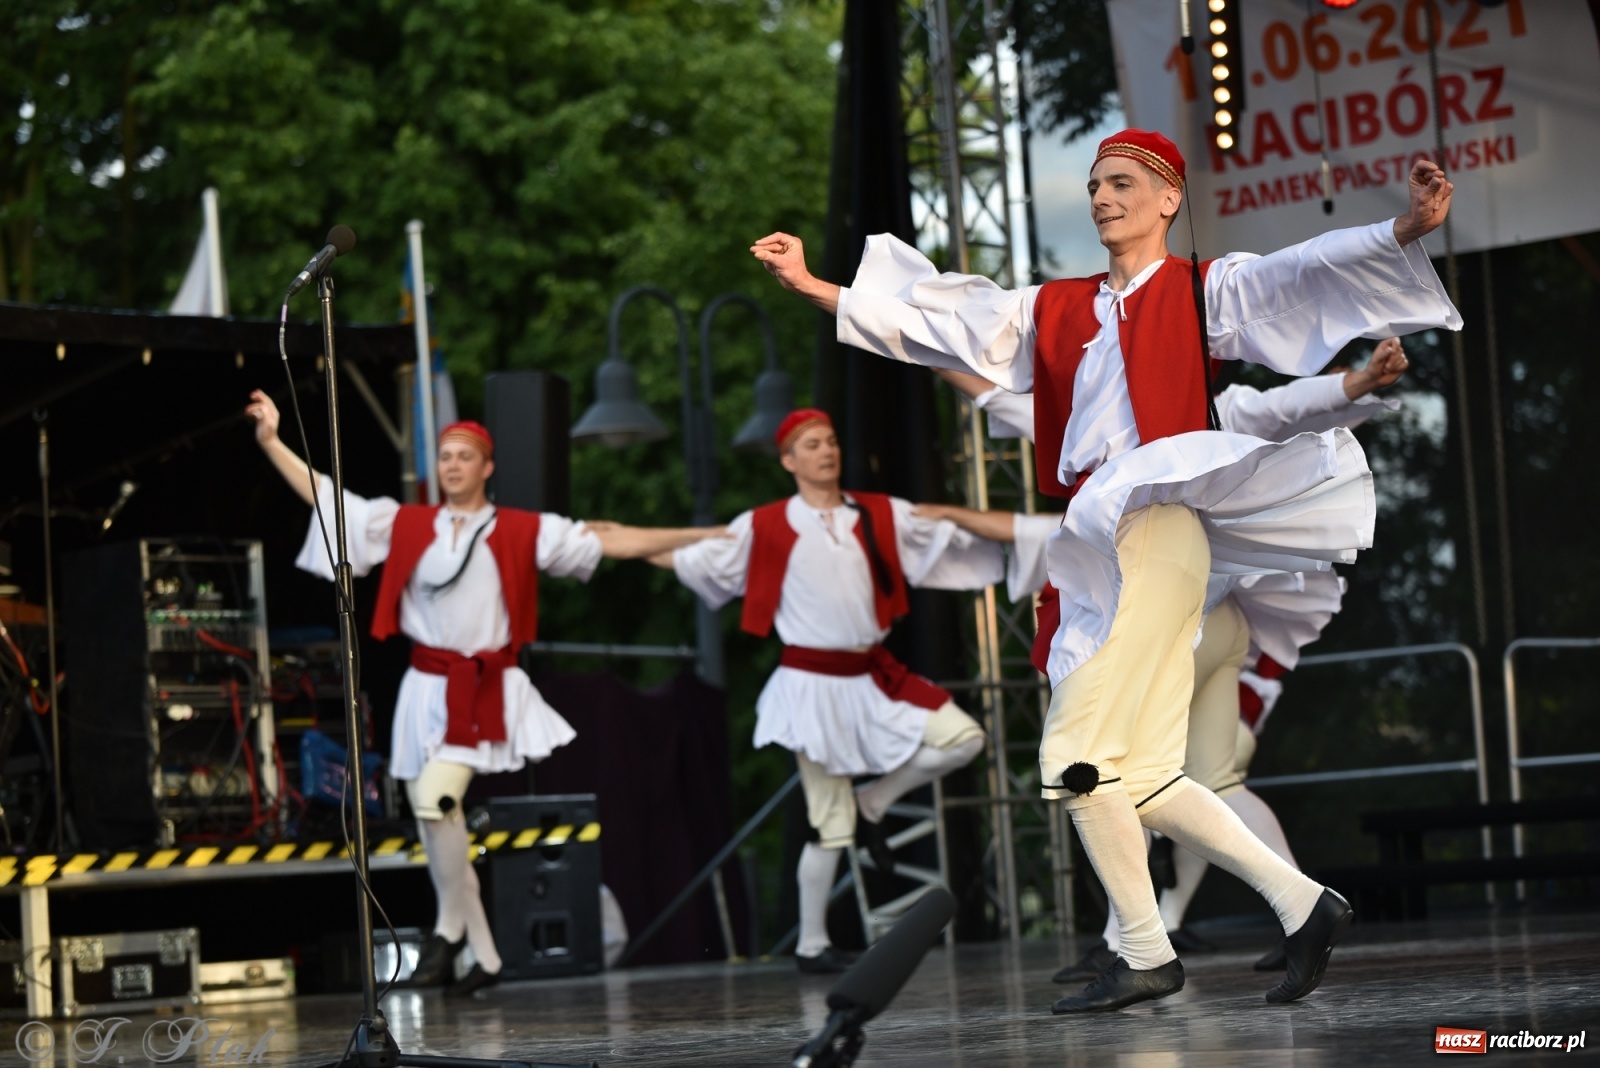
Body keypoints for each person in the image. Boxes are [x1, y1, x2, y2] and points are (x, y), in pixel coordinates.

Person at [750, 129, 1459, 1011]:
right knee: (1148, 773)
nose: (1102, 197)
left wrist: (1403, 228)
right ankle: (1304, 903)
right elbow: (941, 321)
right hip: (1105, 534)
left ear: (1169, 199)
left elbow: (1302, 271)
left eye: (1123, 182)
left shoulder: (1204, 289)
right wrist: (818, 285)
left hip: (1156, 528)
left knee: (1075, 756)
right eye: (1094, 185)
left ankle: (1146, 952)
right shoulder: (1056, 307)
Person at [927, 340, 1409, 980]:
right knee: (1198, 777)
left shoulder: (1152, 414)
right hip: (1216, 619)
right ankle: (1299, 903)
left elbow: (1003, 400)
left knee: (1099, 765)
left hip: (1173, 616)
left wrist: (914, 342)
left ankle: (1133, 940)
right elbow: (1000, 398)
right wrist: (1356, 380)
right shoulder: (1207, 409)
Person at [247, 390, 722, 996]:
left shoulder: (523, 529)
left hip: (486, 688)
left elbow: (612, 540)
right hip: (426, 689)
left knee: (434, 799)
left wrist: (703, 535)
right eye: (444, 455)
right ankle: (488, 955)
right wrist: (271, 443)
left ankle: (448, 934)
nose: (451, 465)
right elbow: (330, 498)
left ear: (487, 466)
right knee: (436, 819)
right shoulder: (409, 523)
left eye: (464, 455)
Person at [651, 408, 1003, 973]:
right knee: (828, 824)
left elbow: (948, 538)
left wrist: (1031, 536)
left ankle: (876, 799)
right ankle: (812, 944)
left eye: (832, 441)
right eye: (812, 444)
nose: (826, 451)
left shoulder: (875, 513)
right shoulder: (765, 524)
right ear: (789, 460)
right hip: (811, 687)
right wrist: (617, 546)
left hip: (871, 676)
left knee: (964, 738)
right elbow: (699, 559)